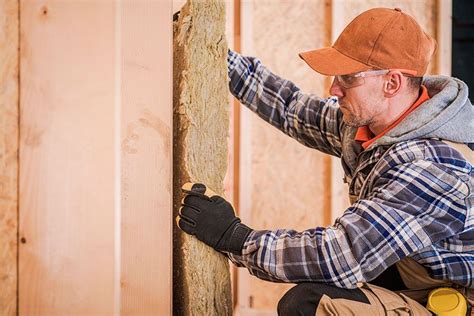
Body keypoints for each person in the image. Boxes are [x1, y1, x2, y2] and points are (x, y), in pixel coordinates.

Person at [177, 7, 474, 315]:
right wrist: (216, 57)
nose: (334, 88)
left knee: (311, 305)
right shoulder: (371, 124)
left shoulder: (432, 168)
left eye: (348, 77)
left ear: (392, 83)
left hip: (458, 302)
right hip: (424, 279)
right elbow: (291, 108)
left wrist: (234, 237)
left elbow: (341, 253)